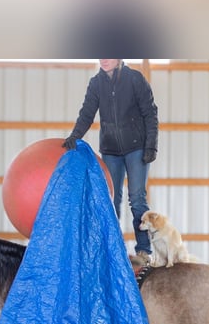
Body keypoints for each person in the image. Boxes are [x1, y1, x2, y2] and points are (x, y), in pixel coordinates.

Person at [63, 59, 159, 262]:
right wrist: (74, 136)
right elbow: (87, 114)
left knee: (137, 199)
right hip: (110, 150)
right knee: (111, 201)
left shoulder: (135, 79)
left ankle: (144, 250)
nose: (104, 59)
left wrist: (151, 145)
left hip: (136, 148)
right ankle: (114, 250)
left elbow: (150, 113)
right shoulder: (96, 83)